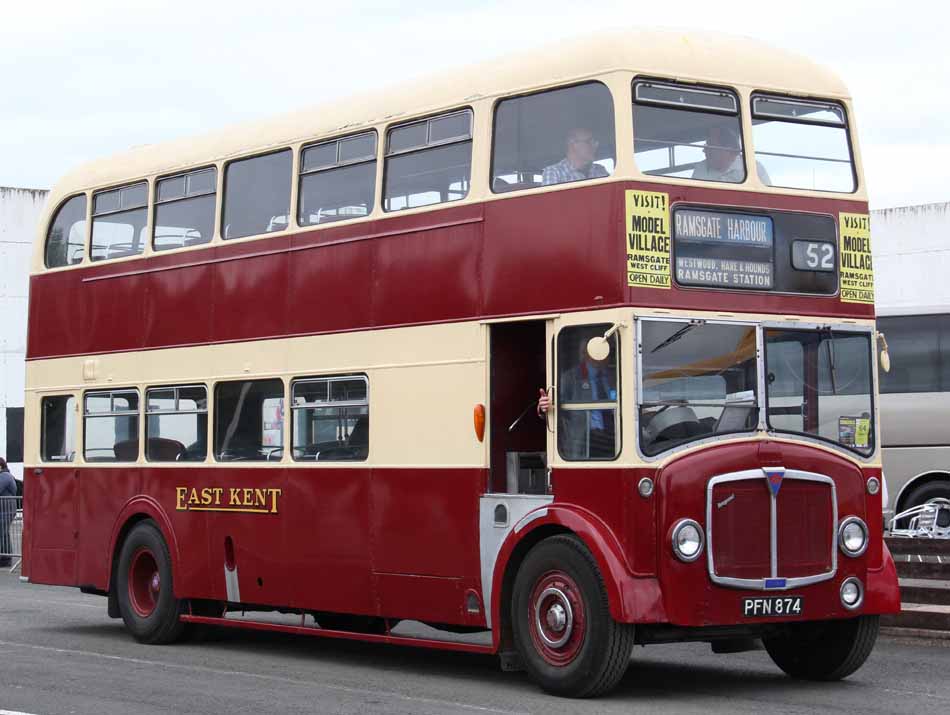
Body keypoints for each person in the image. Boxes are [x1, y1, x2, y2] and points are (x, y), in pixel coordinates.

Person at [537, 334, 618, 458]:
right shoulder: (570, 377)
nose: (608, 356)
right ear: (586, 354)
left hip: (611, 437)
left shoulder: (613, 375)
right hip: (584, 438)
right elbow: (552, 405)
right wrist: (544, 407)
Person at [691, 125, 772, 185]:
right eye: (706, 146)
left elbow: (768, 199)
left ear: (728, 150)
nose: (704, 151)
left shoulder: (753, 168)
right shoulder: (701, 168)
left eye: (710, 147)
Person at [542, 128, 609, 186]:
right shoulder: (554, 172)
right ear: (572, 143)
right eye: (589, 141)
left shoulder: (600, 170)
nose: (596, 145)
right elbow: (551, 200)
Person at [0, 458, 16, 567]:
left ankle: (5, 558)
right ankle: (5, 557)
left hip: (6, 510)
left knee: (3, 533)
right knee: (3, 533)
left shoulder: (5, 476)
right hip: (5, 509)